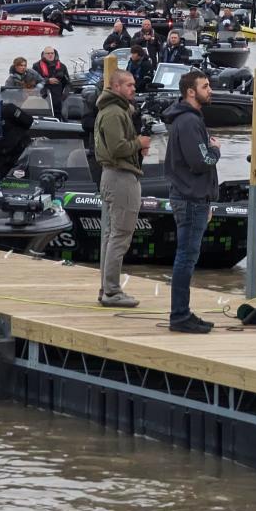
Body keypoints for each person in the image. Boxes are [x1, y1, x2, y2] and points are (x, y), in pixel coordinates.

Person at [162, 70, 219, 334]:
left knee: (187, 257)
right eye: (205, 86)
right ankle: (179, 315)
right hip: (190, 198)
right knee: (186, 258)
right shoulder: (188, 122)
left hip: (194, 197)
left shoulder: (190, 119)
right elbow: (200, 162)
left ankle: (183, 311)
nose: (210, 90)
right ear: (190, 92)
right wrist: (215, 150)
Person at [93, 69, 150, 308]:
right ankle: (112, 291)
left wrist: (136, 148)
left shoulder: (114, 111)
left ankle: (107, 288)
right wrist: (139, 142)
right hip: (120, 177)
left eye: (134, 85)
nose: (133, 89)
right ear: (116, 87)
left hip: (114, 175)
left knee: (111, 235)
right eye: (128, 85)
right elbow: (117, 148)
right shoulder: (114, 112)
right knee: (120, 236)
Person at [0, 82, 35, 177]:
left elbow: (28, 121)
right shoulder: (9, 109)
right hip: (7, 153)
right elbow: (29, 122)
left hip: (8, 152)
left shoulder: (9, 110)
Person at [35, 46, 71, 116]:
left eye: (52, 53)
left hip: (58, 97)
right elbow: (34, 81)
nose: (50, 55)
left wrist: (65, 95)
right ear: (44, 54)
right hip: (43, 96)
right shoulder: (36, 66)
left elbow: (68, 83)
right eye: (48, 53)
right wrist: (47, 80)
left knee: (60, 114)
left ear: (55, 54)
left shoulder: (62, 66)